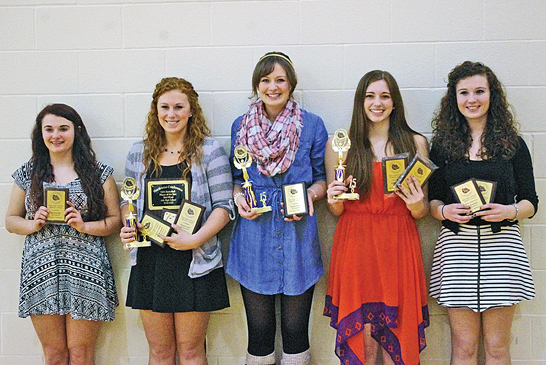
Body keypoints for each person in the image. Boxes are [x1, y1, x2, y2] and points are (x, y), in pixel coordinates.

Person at [428, 61, 538, 364]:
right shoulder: (442, 146)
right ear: (454, 98)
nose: (472, 99)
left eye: (479, 91)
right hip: (457, 251)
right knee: (463, 347)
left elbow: (530, 202)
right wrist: (445, 211)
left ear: (492, 95)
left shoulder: (512, 144)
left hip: (502, 251)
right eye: (464, 92)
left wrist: (508, 211)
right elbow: (432, 201)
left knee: (497, 347)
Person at [119, 77, 234, 365]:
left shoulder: (211, 151)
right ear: (155, 111)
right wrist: (129, 224)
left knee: (191, 351)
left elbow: (224, 206)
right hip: (150, 260)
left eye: (179, 107)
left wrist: (194, 239)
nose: (172, 114)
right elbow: (127, 201)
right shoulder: (138, 152)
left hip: (195, 259)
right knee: (159, 352)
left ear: (191, 110)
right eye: (165, 107)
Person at [227, 52, 328, 365]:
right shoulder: (240, 126)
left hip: (297, 233)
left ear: (291, 84)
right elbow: (235, 179)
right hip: (254, 233)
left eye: (280, 79)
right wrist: (239, 198)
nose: (273, 86)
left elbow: (322, 178)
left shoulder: (311, 125)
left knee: (296, 329)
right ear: (257, 85)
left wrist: (310, 195)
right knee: (259, 330)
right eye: (266, 80)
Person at [324, 70, 430, 365]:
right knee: (364, 337)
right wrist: (334, 198)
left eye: (385, 96)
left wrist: (416, 203)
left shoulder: (416, 144)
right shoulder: (339, 145)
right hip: (356, 244)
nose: (377, 103)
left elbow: (421, 213)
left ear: (395, 102)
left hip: (398, 243)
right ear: (361, 101)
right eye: (370, 96)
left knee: (397, 331)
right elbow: (336, 211)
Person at [5, 104, 120, 365]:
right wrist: (33, 224)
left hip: (87, 271)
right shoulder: (28, 172)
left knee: (81, 355)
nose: (56, 135)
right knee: (55, 356)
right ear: (40, 134)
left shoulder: (99, 172)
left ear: (76, 132)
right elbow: (11, 221)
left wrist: (84, 226)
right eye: (49, 129)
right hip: (41, 272)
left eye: (63, 128)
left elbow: (114, 221)